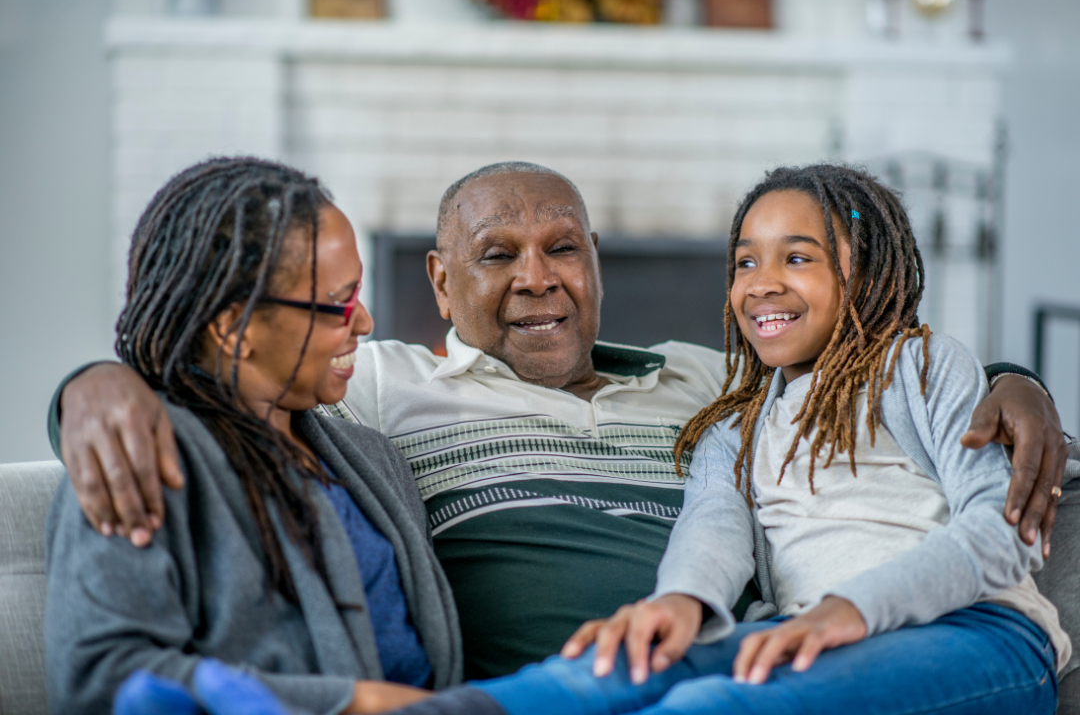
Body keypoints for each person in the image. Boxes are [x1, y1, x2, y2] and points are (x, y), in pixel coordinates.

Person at [48, 162, 1074, 680]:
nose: (538, 278)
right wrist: (95, 387)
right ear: (440, 283)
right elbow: (213, 372)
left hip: (725, 665)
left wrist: (1017, 379)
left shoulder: (719, 386)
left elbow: (868, 363)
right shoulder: (375, 380)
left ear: (597, 266)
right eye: (498, 255)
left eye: (565, 249)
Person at [403, 164, 1074, 715]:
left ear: (864, 273)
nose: (763, 282)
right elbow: (712, 530)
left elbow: (1001, 531)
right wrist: (677, 603)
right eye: (745, 261)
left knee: (717, 704)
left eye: (798, 256)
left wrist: (852, 609)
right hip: (810, 636)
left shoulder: (920, 364)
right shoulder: (734, 421)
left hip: (975, 632)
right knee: (611, 670)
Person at [45, 158, 479, 714]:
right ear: (236, 327)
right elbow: (103, 679)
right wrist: (355, 702)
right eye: (339, 303)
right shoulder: (139, 456)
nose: (365, 322)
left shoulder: (376, 459)